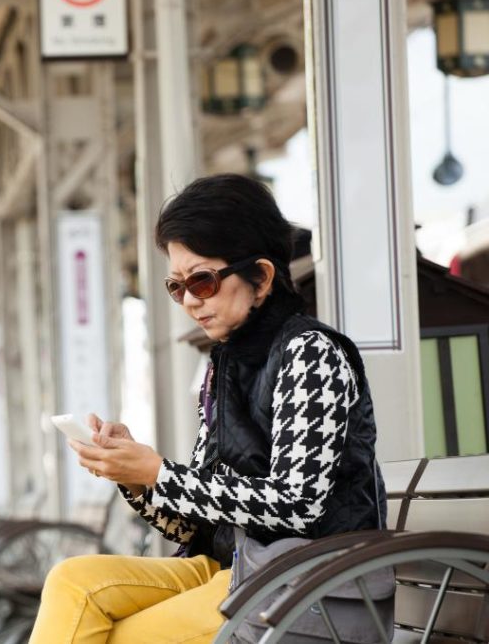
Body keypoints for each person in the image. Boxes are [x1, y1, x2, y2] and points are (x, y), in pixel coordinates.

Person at [28, 174, 386, 644]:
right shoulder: (226, 364)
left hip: (306, 580)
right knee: (73, 581)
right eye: (177, 287)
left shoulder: (310, 352)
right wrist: (135, 477)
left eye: (203, 280)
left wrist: (159, 473)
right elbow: (197, 522)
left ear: (261, 276)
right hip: (238, 570)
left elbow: (299, 505)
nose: (191, 301)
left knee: (118, 636)